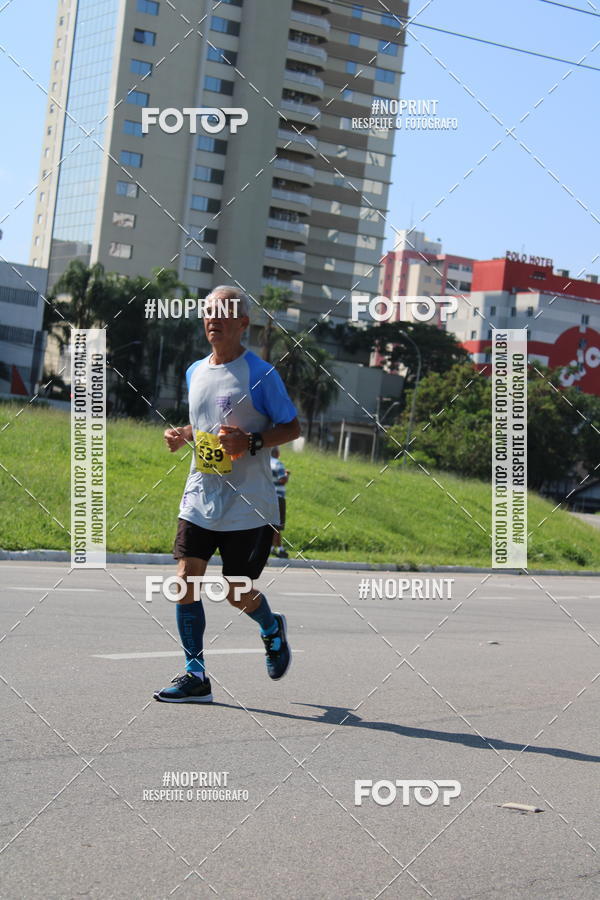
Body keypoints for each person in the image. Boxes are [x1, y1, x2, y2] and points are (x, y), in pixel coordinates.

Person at [154, 285, 301, 703]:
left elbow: (292, 428)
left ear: (243, 323)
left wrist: (251, 441)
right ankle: (195, 674)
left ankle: (271, 628)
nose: (212, 318)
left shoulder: (261, 374)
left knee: (237, 590)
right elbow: (204, 423)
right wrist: (183, 435)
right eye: (207, 312)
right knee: (185, 579)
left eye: (223, 312)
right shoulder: (194, 371)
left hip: (249, 504)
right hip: (201, 494)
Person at [270, 447, 290, 559]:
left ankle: (273, 548)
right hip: (278, 496)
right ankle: (279, 549)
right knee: (278, 524)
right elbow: (282, 479)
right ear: (277, 453)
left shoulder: (264, 463)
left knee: (271, 524)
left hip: (266, 496)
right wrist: (287, 475)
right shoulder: (278, 463)